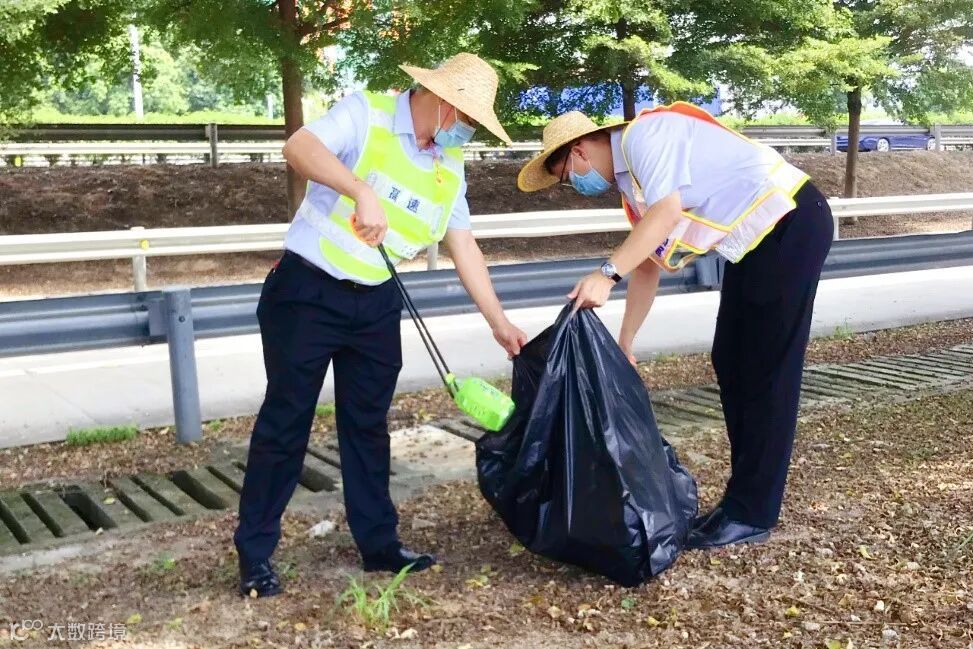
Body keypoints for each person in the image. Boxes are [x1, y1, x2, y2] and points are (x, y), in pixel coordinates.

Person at [235, 53, 528, 597]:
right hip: (306, 292)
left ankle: (379, 545)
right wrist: (359, 189)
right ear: (442, 101)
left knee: (368, 426)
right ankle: (255, 554)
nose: (466, 131)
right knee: (286, 422)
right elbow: (298, 146)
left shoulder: (448, 164)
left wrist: (499, 322)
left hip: (376, 303)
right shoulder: (366, 114)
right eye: (467, 118)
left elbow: (463, 244)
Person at [517, 104, 833, 550]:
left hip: (790, 221)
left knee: (766, 369)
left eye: (568, 175)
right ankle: (742, 501)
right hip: (756, 242)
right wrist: (625, 341)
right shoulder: (633, 188)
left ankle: (752, 511)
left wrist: (605, 274)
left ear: (580, 149)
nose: (576, 186)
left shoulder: (645, 137)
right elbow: (648, 264)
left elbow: (665, 215)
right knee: (731, 359)